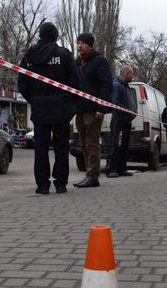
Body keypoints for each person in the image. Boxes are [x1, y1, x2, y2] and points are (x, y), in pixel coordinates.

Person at [18, 22, 79, 195]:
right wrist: (69, 103)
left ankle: (42, 186)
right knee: (61, 147)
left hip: (40, 108)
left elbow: (22, 81)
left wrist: (34, 99)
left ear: (40, 35)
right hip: (61, 109)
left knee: (41, 148)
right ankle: (61, 184)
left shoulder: (30, 55)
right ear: (55, 36)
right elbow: (75, 81)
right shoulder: (64, 55)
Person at [73, 32, 113, 188]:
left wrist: (101, 108)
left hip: (94, 110)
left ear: (90, 45)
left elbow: (106, 85)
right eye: (78, 43)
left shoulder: (100, 61)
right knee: (83, 143)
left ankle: (93, 176)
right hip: (80, 109)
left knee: (91, 143)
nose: (79, 46)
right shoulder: (77, 63)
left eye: (83, 43)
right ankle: (89, 173)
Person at [106, 65, 137, 178]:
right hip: (118, 121)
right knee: (116, 144)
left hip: (127, 121)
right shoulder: (117, 86)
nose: (132, 76)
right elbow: (114, 103)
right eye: (131, 73)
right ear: (125, 74)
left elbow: (133, 104)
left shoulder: (128, 88)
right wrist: (128, 111)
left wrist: (134, 112)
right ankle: (111, 169)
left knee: (124, 145)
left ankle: (122, 168)